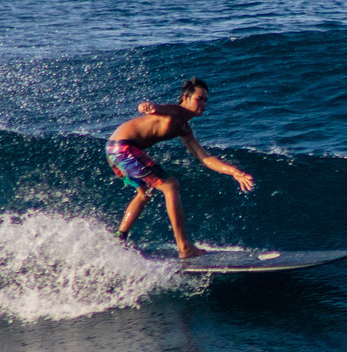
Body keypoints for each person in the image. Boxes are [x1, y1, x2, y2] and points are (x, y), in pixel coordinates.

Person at [106, 78, 254, 258]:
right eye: (199, 99)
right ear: (186, 97)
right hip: (123, 148)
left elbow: (205, 158)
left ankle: (120, 236)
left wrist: (234, 172)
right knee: (171, 186)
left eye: (206, 100)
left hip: (114, 151)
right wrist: (146, 107)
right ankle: (184, 247)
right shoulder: (174, 112)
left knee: (145, 192)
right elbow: (154, 108)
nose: (203, 103)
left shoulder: (183, 128)